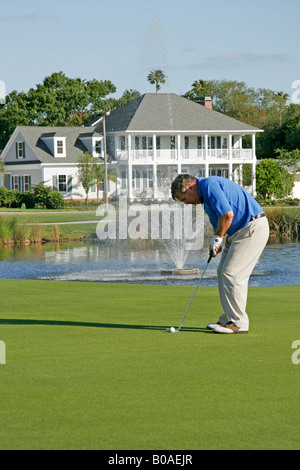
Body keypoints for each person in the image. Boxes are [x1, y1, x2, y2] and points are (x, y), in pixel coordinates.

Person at [171, 174, 269, 334]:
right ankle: (228, 318)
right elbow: (219, 224)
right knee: (222, 272)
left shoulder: (209, 185)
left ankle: (238, 322)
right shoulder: (205, 197)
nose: (187, 203)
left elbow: (227, 215)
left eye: (184, 199)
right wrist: (216, 241)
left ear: (189, 188)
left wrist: (218, 238)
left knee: (232, 274)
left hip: (252, 228)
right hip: (238, 233)